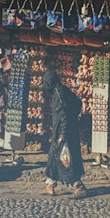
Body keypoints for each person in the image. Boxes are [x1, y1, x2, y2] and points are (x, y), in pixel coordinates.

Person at [42, 69, 87, 197]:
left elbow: (64, 115)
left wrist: (63, 134)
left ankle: (79, 186)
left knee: (66, 161)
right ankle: (50, 185)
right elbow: (78, 103)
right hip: (67, 130)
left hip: (64, 133)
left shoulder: (58, 94)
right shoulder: (63, 90)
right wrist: (74, 118)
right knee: (54, 157)